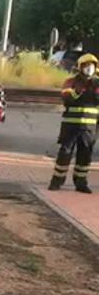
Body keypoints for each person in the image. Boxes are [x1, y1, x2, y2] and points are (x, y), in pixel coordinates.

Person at [49, 53, 99, 193]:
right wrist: (80, 88)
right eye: (86, 65)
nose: (89, 68)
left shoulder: (97, 83)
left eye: (92, 66)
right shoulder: (71, 81)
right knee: (65, 153)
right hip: (71, 126)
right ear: (80, 67)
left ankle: (81, 183)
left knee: (85, 155)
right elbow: (66, 97)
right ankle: (57, 181)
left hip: (89, 128)